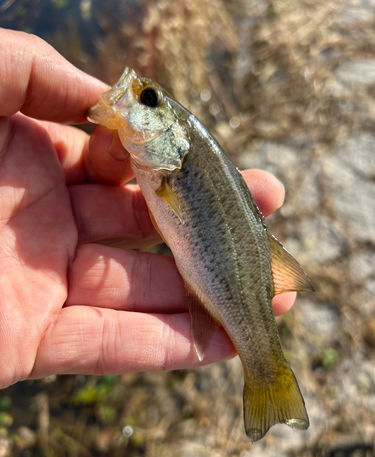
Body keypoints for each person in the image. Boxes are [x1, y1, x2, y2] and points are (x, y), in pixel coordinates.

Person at [0, 28, 296, 389]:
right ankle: (268, 374)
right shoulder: (160, 169)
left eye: (148, 98)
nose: (135, 93)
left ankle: (268, 376)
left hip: (221, 273)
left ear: (176, 143)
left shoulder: (170, 171)